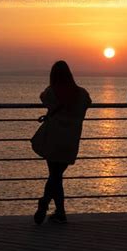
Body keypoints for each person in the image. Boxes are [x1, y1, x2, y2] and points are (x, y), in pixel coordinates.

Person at [34, 61, 91, 225]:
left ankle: (45, 202)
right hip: (70, 140)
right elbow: (88, 103)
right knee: (57, 175)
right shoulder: (81, 94)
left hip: (54, 137)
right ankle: (60, 212)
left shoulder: (52, 92)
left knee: (54, 174)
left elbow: (43, 97)